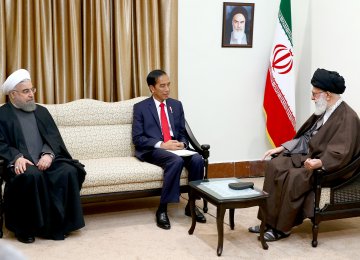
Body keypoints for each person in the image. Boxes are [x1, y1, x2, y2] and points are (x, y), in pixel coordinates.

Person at [249, 68, 360, 241]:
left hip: (328, 168)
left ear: (328, 95)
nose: (312, 97)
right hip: (309, 157)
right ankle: (267, 221)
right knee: (274, 165)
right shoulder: (325, 110)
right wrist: (283, 149)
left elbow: (341, 153)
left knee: (294, 177)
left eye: (315, 94)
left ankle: (281, 228)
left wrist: (320, 162)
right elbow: (306, 137)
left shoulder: (348, 117)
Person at [0, 69, 86, 243]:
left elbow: (54, 138)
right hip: (20, 162)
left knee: (68, 171)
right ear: (13, 95)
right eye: (26, 91)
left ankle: (58, 226)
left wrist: (48, 154)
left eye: (32, 90)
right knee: (31, 176)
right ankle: (25, 229)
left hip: (46, 160)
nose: (31, 95)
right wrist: (16, 157)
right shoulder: (2, 115)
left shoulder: (42, 111)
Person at [132, 69, 206, 230]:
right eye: (162, 86)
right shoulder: (141, 108)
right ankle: (162, 208)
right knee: (175, 160)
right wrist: (162, 145)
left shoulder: (176, 105)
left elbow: (181, 132)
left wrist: (183, 144)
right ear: (152, 88)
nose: (167, 89)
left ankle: (191, 205)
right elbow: (137, 138)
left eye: (168, 85)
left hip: (176, 148)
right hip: (154, 149)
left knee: (197, 159)